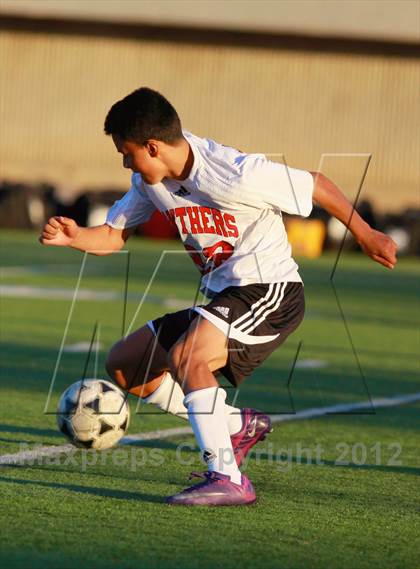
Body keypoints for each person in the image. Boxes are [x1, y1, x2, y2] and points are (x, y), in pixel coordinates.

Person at [40, 87, 397, 506]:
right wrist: (74, 237)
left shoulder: (234, 172)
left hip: (271, 292)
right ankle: (233, 423)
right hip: (227, 298)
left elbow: (315, 184)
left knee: (188, 357)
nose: (125, 162)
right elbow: (113, 236)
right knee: (126, 364)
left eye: (127, 152)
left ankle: (227, 477)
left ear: (152, 146)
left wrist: (366, 232)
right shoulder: (149, 180)